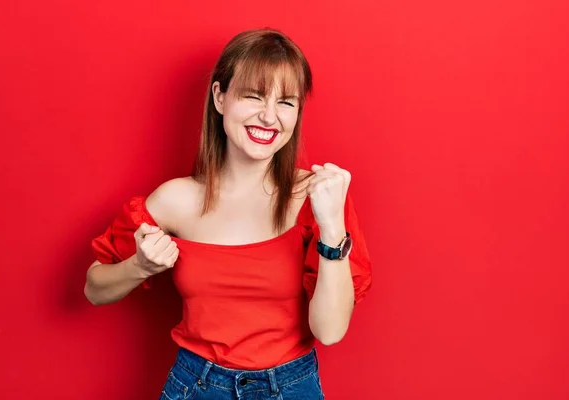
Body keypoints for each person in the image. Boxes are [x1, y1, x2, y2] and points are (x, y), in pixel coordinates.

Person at [85, 28, 372, 400]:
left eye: (286, 102)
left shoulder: (320, 197)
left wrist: (332, 226)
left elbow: (330, 331)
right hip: (196, 386)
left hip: (291, 387)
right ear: (220, 97)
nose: (269, 117)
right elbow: (94, 288)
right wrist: (140, 265)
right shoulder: (176, 199)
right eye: (253, 96)